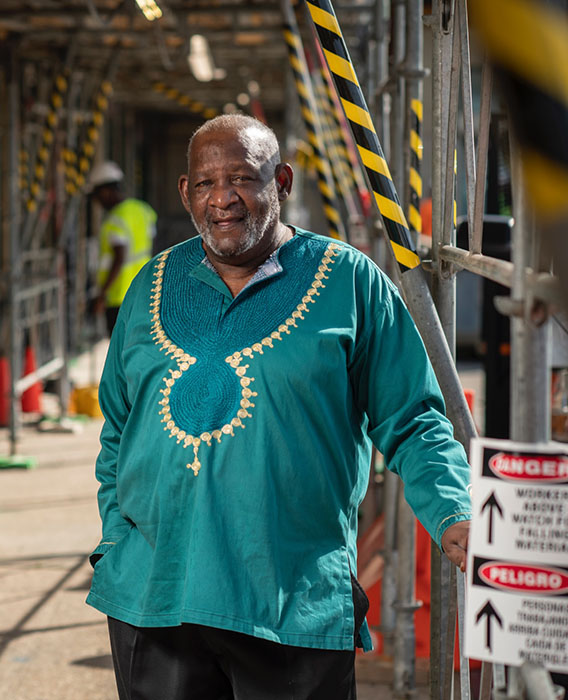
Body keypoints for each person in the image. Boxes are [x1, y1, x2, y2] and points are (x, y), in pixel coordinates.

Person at [85, 114, 471, 700]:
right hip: (153, 595)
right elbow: (117, 426)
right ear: (186, 192)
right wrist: (115, 542)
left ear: (281, 181)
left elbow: (413, 418)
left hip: (291, 600)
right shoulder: (151, 283)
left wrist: (453, 511)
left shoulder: (349, 282)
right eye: (206, 183)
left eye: (241, 178)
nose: (223, 199)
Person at [87, 161, 157, 335]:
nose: (97, 202)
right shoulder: (142, 209)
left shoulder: (115, 219)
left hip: (120, 297)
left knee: (121, 352)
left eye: (97, 195)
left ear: (105, 191)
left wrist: (102, 294)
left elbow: (119, 258)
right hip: (145, 290)